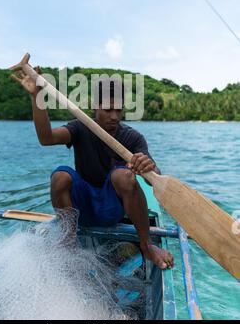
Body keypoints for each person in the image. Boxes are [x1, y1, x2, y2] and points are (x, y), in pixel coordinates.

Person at [11, 66, 173, 269]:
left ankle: (146, 245)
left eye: (118, 110)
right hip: (82, 208)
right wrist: (37, 95)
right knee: (60, 176)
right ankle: (68, 241)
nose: (114, 116)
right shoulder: (80, 127)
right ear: (95, 108)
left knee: (123, 176)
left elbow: (153, 177)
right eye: (107, 109)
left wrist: (149, 168)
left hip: (112, 210)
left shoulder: (133, 137)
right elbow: (46, 138)